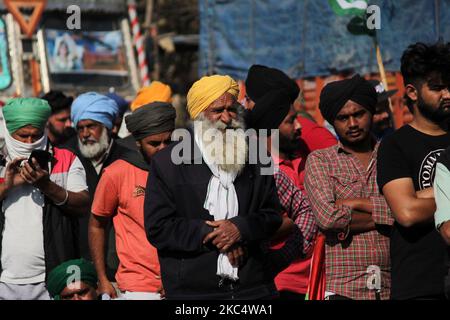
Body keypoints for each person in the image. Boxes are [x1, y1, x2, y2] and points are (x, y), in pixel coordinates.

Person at [144, 75, 283, 299]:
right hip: (193, 291)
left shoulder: (257, 156)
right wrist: (214, 234)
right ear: (199, 115)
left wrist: (240, 229)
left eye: (232, 109)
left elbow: (273, 215)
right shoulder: (167, 163)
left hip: (252, 288)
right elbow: (158, 228)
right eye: (218, 111)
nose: (227, 118)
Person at [305, 75, 392, 300]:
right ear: (333, 121)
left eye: (358, 114)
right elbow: (328, 218)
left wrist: (358, 205)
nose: (352, 124)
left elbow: (416, 207)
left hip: (393, 284)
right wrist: (392, 214)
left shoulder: (392, 155)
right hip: (344, 288)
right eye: (343, 118)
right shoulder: (321, 160)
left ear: (371, 112)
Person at [377, 42, 450, 300]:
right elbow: (406, 212)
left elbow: (414, 203)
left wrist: (426, 195)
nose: (448, 94)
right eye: (438, 87)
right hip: (420, 285)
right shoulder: (394, 146)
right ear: (412, 92)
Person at [0, 98, 89, 300]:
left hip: (53, 280)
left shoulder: (65, 159)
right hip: (4, 282)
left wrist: (47, 186)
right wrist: (8, 186)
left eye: (36, 136)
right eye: (22, 136)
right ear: (9, 132)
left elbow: (83, 204)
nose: (30, 143)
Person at [244, 64, 321, 299]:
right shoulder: (258, 166)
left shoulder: (311, 149)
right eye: (291, 120)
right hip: (280, 284)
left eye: (247, 99)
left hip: (317, 278)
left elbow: (311, 211)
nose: (299, 127)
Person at [89, 102, 176, 300]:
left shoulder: (185, 170)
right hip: (138, 288)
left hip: (179, 282)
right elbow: (96, 225)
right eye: (154, 144)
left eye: (168, 142)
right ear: (138, 142)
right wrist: (102, 278)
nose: (163, 149)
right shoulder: (117, 173)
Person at [65, 92, 129, 277]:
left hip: (120, 263)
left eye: (91, 126)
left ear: (107, 126)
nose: (85, 134)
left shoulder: (127, 156)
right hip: (78, 260)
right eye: (81, 128)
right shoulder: (67, 156)